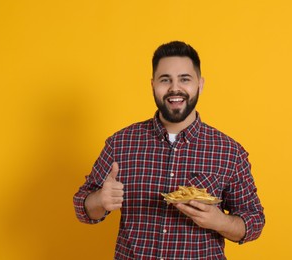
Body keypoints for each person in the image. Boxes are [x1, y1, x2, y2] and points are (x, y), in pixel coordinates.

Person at [73, 41, 265, 259]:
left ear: (200, 84)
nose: (175, 88)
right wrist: (99, 200)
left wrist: (220, 221)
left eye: (185, 79)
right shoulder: (120, 144)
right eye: (166, 80)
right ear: (153, 84)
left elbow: (254, 221)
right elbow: (83, 207)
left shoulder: (230, 152)